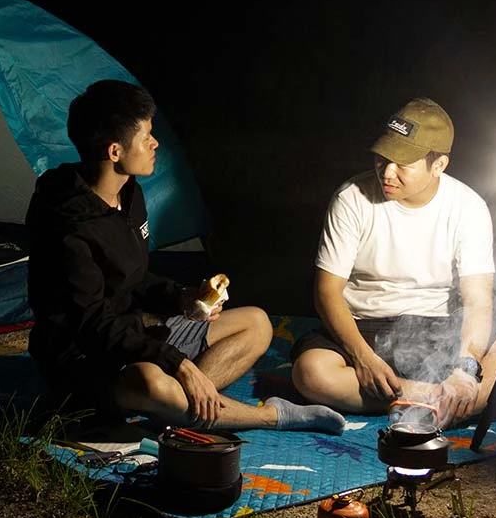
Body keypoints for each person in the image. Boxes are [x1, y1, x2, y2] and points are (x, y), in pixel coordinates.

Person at [25, 79, 345, 435]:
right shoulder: (67, 225)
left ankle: (182, 405)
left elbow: (133, 278)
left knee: (256, 322)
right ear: (114, 151)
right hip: (83, 358)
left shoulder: (129, 195)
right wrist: (177, 363)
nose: (155, 143)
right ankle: (272, 416)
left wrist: (184, 298)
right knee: (152, 382)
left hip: (132, 336)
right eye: (146, 136)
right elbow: (92, 324)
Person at [289, 96, 496, 429]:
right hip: (362, 325)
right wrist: (363, 357)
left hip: (439, 329)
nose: (388, 172)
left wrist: (465, 369)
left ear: (439, 165)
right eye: (383, 158)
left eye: (403, 164)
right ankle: (449, 404)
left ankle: (450, 399)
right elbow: (327, 292)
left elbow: (477, 301)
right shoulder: (352, 198)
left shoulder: (467, 206)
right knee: (311, 373)